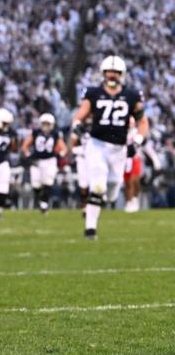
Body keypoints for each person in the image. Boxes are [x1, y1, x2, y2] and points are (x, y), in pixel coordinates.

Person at [71, 56, 148, 239]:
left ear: (122, 75)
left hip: (119, 149)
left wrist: (137, 141)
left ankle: (106, 199)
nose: (112, 75)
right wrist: (77, 125)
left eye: (116, 72)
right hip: (96, 144)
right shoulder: (93, 93)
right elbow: (80, 115)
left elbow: (143, 122)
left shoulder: (132, 95)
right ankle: (90, 229)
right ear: (103, 73)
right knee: (97, 186)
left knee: (113, 188)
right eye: (109, 72)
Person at [21, 112, 66, 214]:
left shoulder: (55, 134)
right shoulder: (35, 132)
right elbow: (25, 145)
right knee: (36, 184)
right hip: (37, 160)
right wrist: (28, 155)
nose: (45, 126)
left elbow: (63, 148)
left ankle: (44, 204)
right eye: (44, 123)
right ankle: (41, 203)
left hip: (50, 160)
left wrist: (60, 155)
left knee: (48, 182)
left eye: (47, 124)